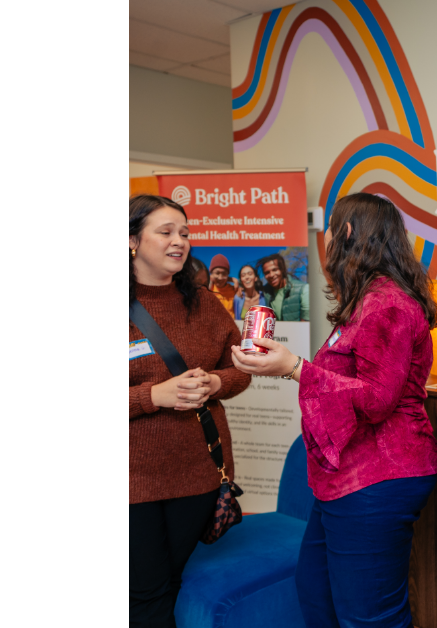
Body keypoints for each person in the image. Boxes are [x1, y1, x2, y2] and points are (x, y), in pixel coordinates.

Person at [230, 192, 437, 627]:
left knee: (369, 618)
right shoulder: (365, 301)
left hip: (379, 475)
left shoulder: (387, 304)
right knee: (316, 592)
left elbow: (377, 399)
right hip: (346, 475)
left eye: (328, 228)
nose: (324, 238)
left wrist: (293, 368)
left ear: (344, 232)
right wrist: (287, 367)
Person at [128, 195, 251, 626]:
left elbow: (240, 368)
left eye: (184, 232)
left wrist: (217, 383)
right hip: (135, 482)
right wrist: (153, 396)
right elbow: (152, 394)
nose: (179, 241)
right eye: (165, 232)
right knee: (146, 594)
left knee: (169, 583)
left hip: (199, 474)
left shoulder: (203, 302)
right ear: (132, 241)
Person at [259, 252, 309, 321]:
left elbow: (306, 322)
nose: (271, 275)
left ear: (282, 269)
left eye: (275, 270)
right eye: (267, 272)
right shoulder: (264, 292)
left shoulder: (303, 289)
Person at [208, 254, 236, 318]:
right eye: (217, 273)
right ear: (211, 274)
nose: (220, 278)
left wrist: (235, 281)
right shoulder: (207, 288)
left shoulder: (234, 289)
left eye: (224, 274)